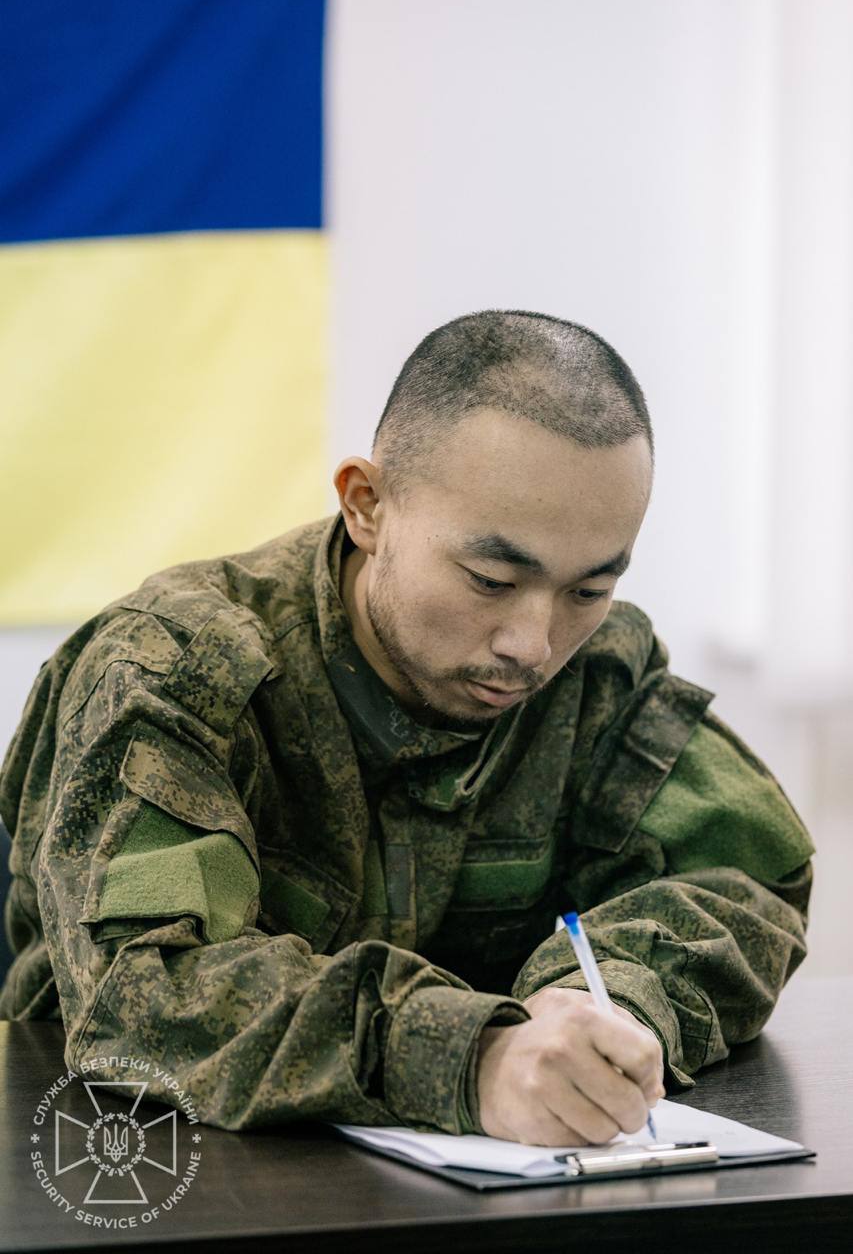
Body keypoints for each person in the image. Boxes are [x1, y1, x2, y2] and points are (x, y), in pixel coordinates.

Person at [0, 311, 813, 1148]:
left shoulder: (597, 675)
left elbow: (748, 879)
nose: (533, 647)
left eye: (587, 590)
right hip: (141, 1165)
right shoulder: (175, 669)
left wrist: (601, 1009)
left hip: (487, 1185)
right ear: (367, 506)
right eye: (491, 579)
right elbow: (143, 994)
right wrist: (470, 1057)